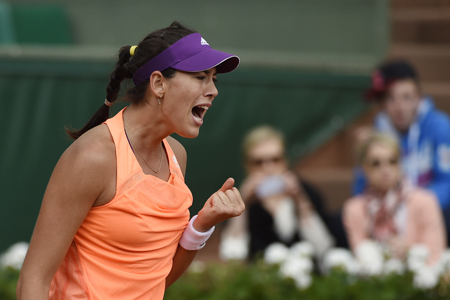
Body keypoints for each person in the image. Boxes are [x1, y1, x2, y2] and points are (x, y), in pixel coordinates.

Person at [17, 21, 245, 300]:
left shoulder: (176, 155)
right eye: (200, 77)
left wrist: (202, 225)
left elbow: (157, 280)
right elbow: (33, 280)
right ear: (158, 83)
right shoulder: (93, 157)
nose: (213, 90)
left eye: (214, 79)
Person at [353, 59, 450, 244]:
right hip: (388, 211)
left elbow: (447, 183)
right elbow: (360, 192)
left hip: (429, 209)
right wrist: (362, 160)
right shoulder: (375, 132)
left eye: (407, 97)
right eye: (390, 98)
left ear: (419, 97)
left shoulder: (439, 126)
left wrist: (412, 206)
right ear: (381, 104)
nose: (399, 107)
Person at [219, 125, 334, 261]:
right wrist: (242, 206)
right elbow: (231, 256)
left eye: (275, 159)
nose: (268, 168)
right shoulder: (240, 200)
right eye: (258, 162)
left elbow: (323, 249)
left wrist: (301, 202)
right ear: (247, 165)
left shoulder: (307, 193)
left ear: (285, 160)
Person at [344, 133, 446, 264]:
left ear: (400, 164)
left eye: (392, 161)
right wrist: (384, 254)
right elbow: (361, 257)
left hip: (421, 278)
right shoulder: (355, 209)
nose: (385, 169)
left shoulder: (425, 201)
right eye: (376, 163)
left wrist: (408, 252)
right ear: (364, 168)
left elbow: (436, 255)